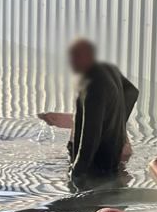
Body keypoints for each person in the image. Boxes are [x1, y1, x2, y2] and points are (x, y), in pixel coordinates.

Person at [49, 39, 138, 177]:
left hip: (96, 167)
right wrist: (116, 125)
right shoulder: (109, 69)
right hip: (112, 154)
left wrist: (76, 174)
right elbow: (132, 92)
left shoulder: (91, 86)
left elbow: (90, 138)